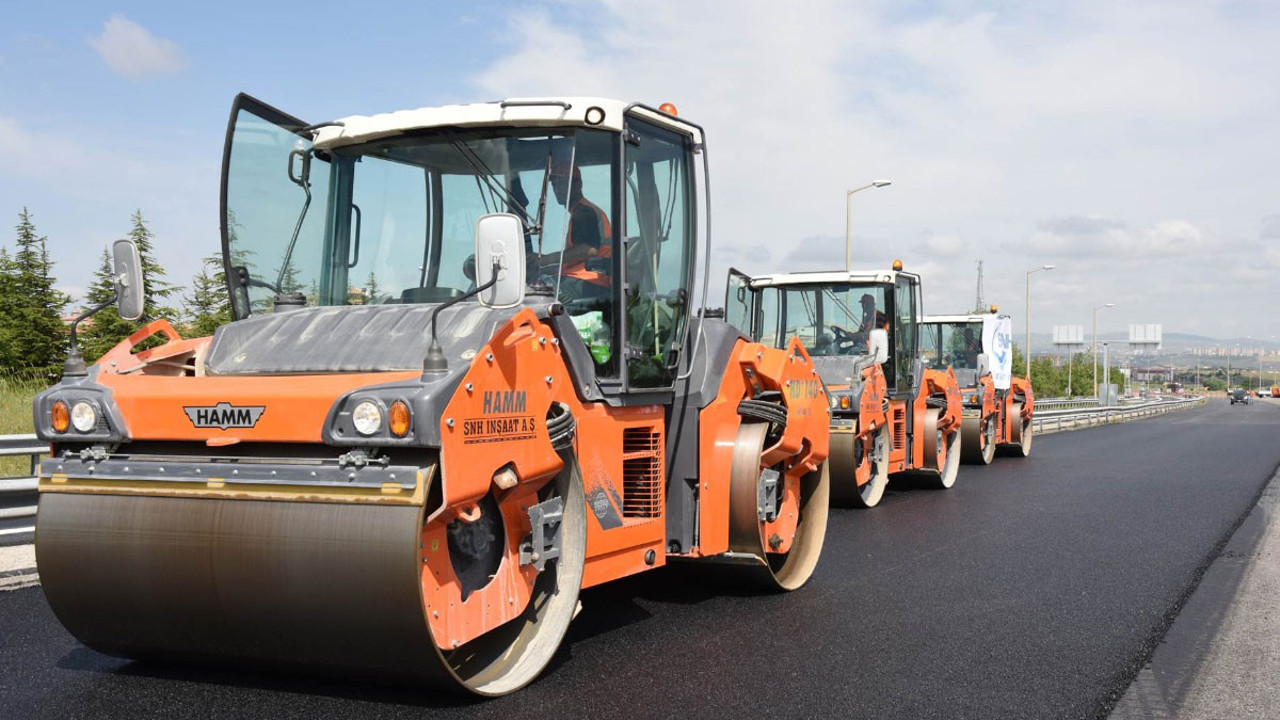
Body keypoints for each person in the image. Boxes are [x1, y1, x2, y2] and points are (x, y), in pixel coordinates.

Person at [549, 160, 612, 301]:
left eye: (562, 183)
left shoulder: (584, 212)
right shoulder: (581, 210)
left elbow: (589, 249)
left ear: (578, 185)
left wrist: (545, 260)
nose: (557, 189)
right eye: (555, 184)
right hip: (584, 280)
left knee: (538, 288)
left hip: (591, 281)